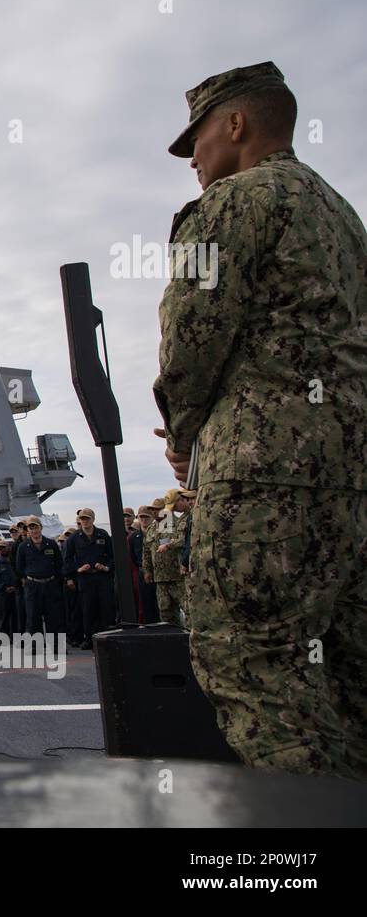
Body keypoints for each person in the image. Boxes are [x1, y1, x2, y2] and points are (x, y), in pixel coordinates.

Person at [157, 61, 367, 777]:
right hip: (352, 481)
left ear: (236, 124)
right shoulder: (341, 215)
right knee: (343, 677)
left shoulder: (230, 205)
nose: (195, 162)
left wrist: (184, 441)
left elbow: (192, 343)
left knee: (252, 669)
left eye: (198, 144)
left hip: (261, 479)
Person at [64, 508, 115, 650]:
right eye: (82, 519)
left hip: (101, 577)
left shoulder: (103, 535)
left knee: (105, 608)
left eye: (87, 518)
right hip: (85, 579)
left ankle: (106, 637)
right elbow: (67, 559)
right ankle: (89, 638)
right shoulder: (74, 538)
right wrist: (77, 569)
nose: (85, 521)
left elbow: (112, 556)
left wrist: (106, 567)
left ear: (93, 519)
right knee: (87, 609)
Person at [13, 516, 64, 654]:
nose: (34, 530)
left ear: (41, 527)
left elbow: (59, 564)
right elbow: (19, 567)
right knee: (33, 617)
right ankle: (36, 647)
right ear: (28, 530)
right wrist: (27, 580)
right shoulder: (23, 547)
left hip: (50, 584)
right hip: (33, 586)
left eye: (35, 527)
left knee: (54, 617)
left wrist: (57, 581)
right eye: (31, 527)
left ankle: (57, 646)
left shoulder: (51, 544)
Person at [151, 490, 189, 628]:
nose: (155, 512)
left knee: (186, 608)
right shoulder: (158, 526)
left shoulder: (180, 521)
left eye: (158, 509)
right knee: (165, 611)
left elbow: (183, 540)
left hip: (177, 574)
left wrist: (169, 545)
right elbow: (151, 548)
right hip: (161, 576)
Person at [0, 540, 18, 635]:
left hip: (15, 592)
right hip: (2, 594)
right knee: (3, 616)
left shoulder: (14, 561)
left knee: (16, 616)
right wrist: (5, 587)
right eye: (0, 548)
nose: (3, 550)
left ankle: (15, 637)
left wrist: (15, 586)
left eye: (4, 547)